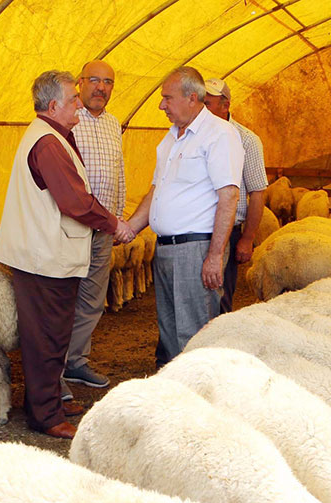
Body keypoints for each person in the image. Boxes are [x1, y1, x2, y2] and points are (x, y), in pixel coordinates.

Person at [0, 70, 134, 439]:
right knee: (46, 337)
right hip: (45, 257)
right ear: (54, 105)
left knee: (52, 334)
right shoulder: (48, 143)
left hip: (48, 254)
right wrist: (113, 223)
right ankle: (46, 415)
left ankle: (48, 399)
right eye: (73, 99)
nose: (78, 104)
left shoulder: (53, 136)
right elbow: (73, 200)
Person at [124, 67, 242, 368]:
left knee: (194, 334)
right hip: (167, 249)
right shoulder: (172, 138)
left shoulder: (219, 135)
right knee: (170, 333)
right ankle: (178, 396)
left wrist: (215, 256)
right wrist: (130, 229)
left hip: (195, 250)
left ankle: (200, 401)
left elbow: (229, 196)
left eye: (167, 98)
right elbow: (157, 190)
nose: (161, 105)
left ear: (192, 98)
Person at [61, 60, 125, 394]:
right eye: (95, 80)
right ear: (81, 83)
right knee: (64, 295)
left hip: (103, 229)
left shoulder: (114, 124)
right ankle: (54, 368)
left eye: (108, 82)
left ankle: (76, 361)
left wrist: (118, 216)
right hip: (72, 227)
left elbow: (119, 173)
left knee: (92, 298)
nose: (101, 88)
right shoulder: (69, 120)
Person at [203, 78, 267, 313]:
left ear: (225, 105)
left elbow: (257, 193)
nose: (202, 108)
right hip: (198, 228)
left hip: (228, 231)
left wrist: (248, 238)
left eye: (208, 103)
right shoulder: (195, 134)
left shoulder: (247, 140)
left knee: (221, 292)